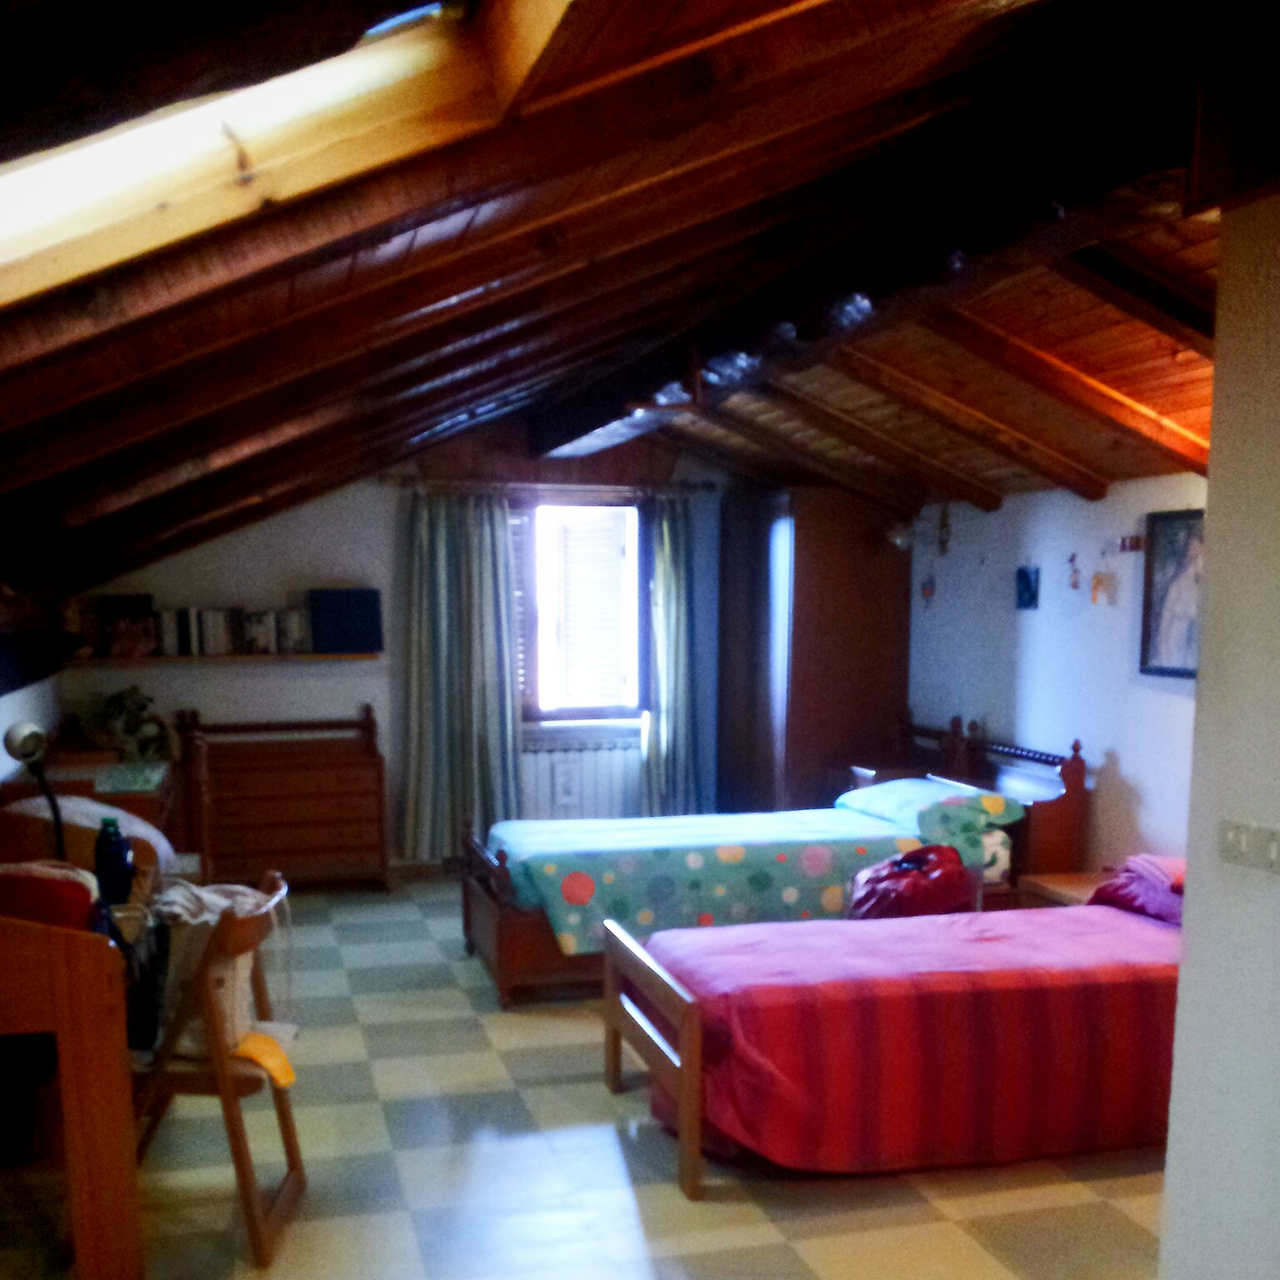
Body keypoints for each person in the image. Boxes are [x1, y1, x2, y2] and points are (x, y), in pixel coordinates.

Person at [1154, 528, 1204, 671]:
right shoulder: (1178, 584)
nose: (1192, 550)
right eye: (1191, 546)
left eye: (1196, 546)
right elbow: (1166, 623)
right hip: (1176, 635)